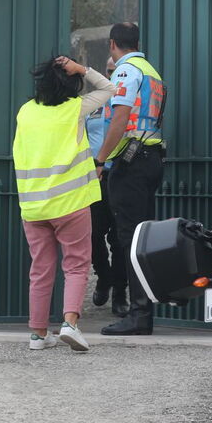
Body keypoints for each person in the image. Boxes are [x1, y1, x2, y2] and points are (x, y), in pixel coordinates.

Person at [12, 55, 117, 351]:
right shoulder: (75, 109)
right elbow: (111, 90)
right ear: (72, 85)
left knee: (41, 268)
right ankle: (70, 324)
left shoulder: (26, 112)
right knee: (76, 265)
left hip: (33, 205)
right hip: (70, 203)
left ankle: (38, 334)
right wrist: (83, 68)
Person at [96, 23, 166, 336]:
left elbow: (121, 117)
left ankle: (139, 315)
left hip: (131, 161)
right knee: (139, 237)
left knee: (129, 238)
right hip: (148, 157)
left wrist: (100, 160)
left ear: (113, 44)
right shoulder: (150, 69)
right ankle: (141, 311)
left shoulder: (125, 71)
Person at [84, 57, 128, 317]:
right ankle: (104, 277)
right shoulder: (95, 103)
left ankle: (121, 292)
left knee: (120, 238)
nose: (113, 76)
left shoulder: (127, 100)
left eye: (116, 71)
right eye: (109, 71)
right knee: (92, 233)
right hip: (93, 175)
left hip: (120, 171)